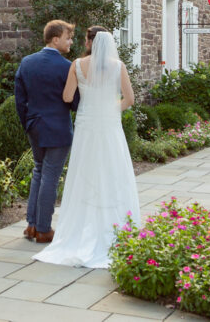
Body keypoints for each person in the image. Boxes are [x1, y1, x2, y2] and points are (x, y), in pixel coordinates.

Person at [33, 30, 141, 268]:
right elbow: (130, 100)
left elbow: (67, 96)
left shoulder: (77, 65)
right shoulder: (118, 66)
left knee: (84, 172)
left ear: (91, 42)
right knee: (112, 171)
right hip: (109, 125)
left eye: (84, 39)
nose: (82, 42)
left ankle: (80, 228)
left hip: (86, 124)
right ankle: (113, 225)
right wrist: (111, 108)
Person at [14, 20, 80, 244]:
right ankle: (43, 229)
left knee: (39, 172)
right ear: (55, 39)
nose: (71, 41)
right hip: (58, 129)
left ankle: (31, 225)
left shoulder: (27, 62)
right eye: (68, 37)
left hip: (34, 126)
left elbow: (20, 100)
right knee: (50, 176)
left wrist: (27, 124)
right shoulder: (66, 67)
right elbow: (74, 102)